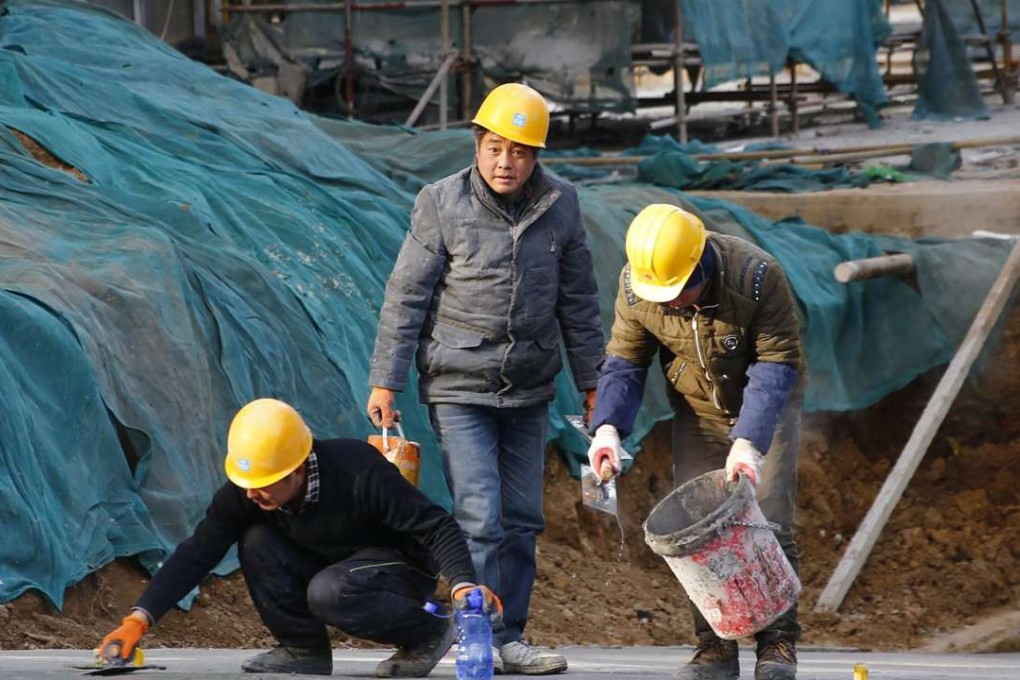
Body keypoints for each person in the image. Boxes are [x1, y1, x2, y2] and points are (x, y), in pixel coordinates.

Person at [366, 82, 603, 675]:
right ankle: (481, 632)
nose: (506, 162)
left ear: (536, 155)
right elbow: (407, 294)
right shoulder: (441, 203)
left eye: (520, 151)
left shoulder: (563, 206)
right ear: (476, 143)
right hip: (458, 383)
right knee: (478, 512)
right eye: (495, 147)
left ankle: (510, 634)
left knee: (522, 517)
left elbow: (579, 303)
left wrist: (596, 383)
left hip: (530, 387)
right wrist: (386, 381)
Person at [97, 398, 499, 677]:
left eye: (266, 483)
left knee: (330, 590)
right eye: (248, 483)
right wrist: (137, 620)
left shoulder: (358, 473)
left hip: (396, 571)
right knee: (255, 540)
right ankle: (304, 650)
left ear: (298, 469)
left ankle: (427, 635)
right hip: (333, 565)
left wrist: (463, 583)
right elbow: (198, 551)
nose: (254, 493)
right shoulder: (252, 492)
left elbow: (436, 525)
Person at [587, 204, 804, 680]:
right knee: (694, 533)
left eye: (679, 292)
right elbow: (624, 362)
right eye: (660, 296)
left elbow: (776, 365)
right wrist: (607, 429)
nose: (670, 304)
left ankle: (778, 644)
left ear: (699, 262)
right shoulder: (638, 287)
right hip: (698, 414)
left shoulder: (756, 277)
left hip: (766, 412)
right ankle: (714, 648)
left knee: (769, 518)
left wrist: (749, 441)